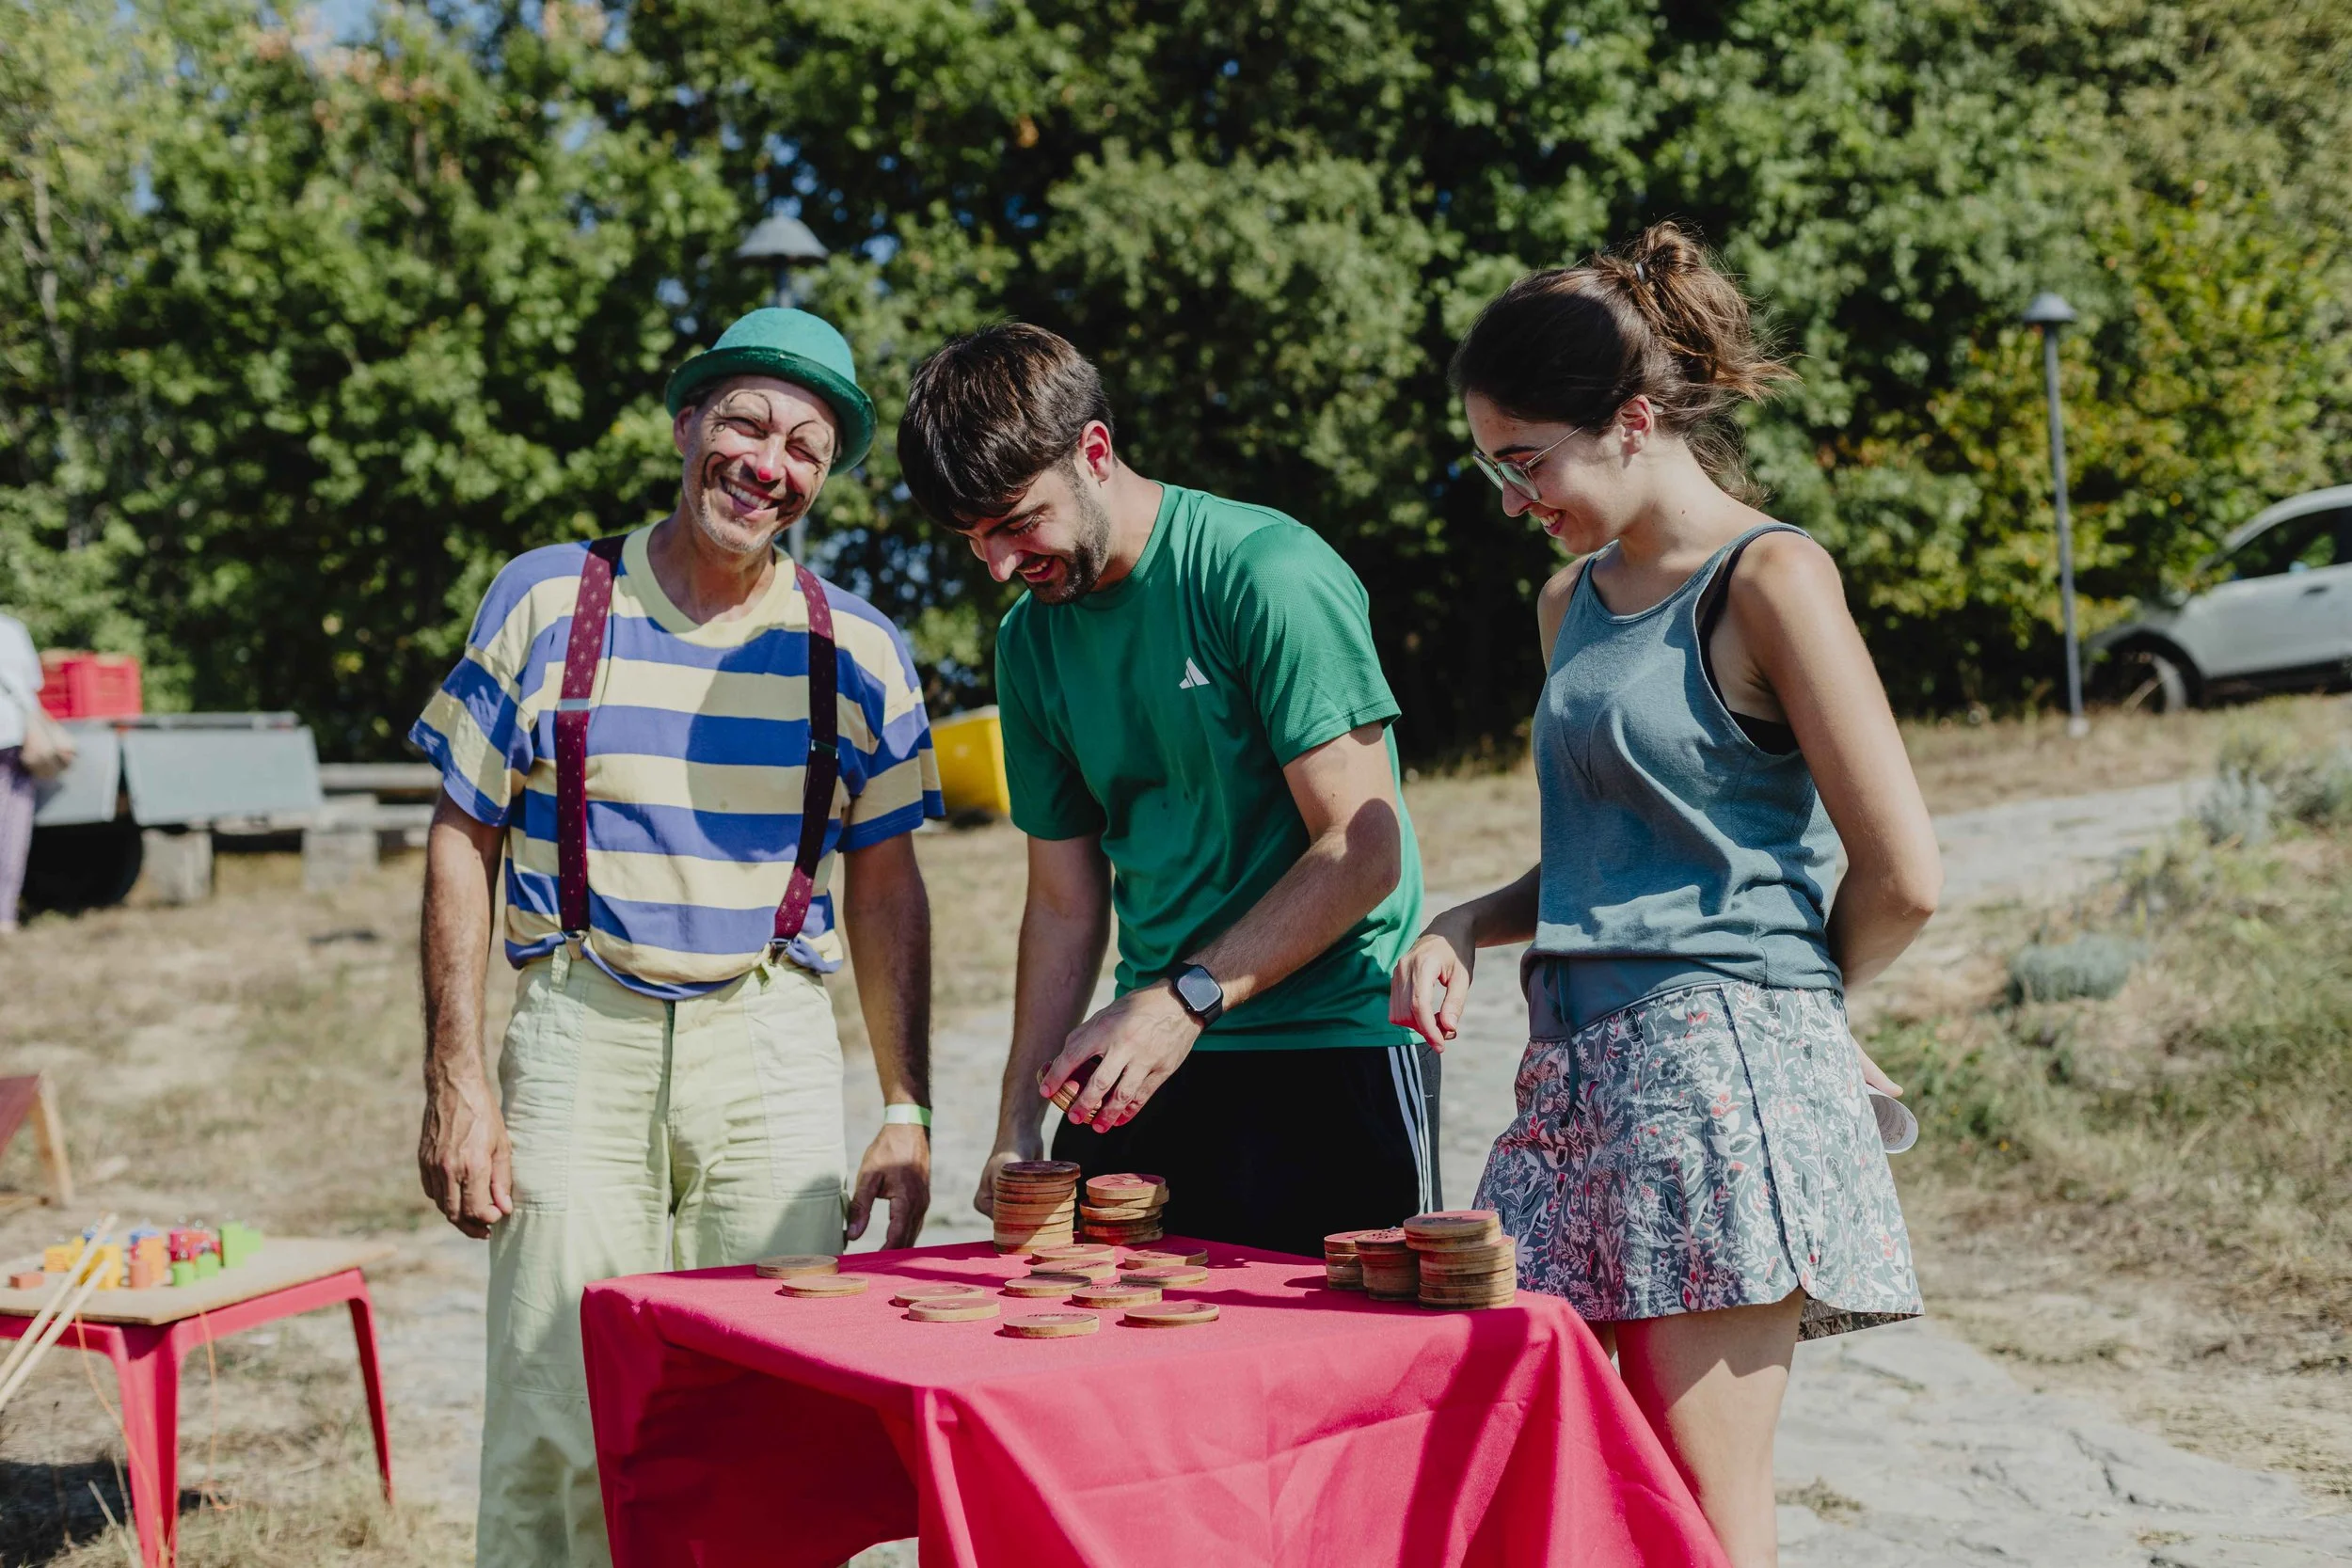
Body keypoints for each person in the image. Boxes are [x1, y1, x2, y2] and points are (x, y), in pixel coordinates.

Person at [1390, 224, 1939, 1568]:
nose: (1515, 496)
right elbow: (1605, 857)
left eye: (1529, 461)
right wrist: (1466, 918)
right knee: (1563, 1471)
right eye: (1492, 466)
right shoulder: (1567, 600)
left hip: (1717, 1077)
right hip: (1569, 1074)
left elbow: (1907, 875)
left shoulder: (1773, 578)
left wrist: (1789, 1001)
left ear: (1632, 422)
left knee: (1697, 1510)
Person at [410, 308, 945, 1567]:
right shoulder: (550, 598)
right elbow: (459, 834)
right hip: (580, 1025)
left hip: (767, 1038)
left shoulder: (858, 647)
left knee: (779, 1403)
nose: (771, 462)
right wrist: (458, 1077)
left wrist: (906, 1101)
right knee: (559, 1403)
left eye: (805, 446)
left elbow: (886, 888)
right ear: (685, 428)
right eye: (748, 422)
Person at [897, 324, 1438, 1259]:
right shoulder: (1029, 643)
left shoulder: (1264, 571)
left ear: (1093, 452)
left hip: (1331, 1046)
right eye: (973, 540)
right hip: (1146, 1057)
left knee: (1331, 1385)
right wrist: (1016, 1122)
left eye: (1017, 521)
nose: (998, 565)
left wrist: (1184, 996)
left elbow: (1363, 847)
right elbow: (1065, 907)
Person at [0, 612, 53, 933]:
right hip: (12, 735)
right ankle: (4, 915)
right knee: (12, 828)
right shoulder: (11, 628)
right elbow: (32, 686)